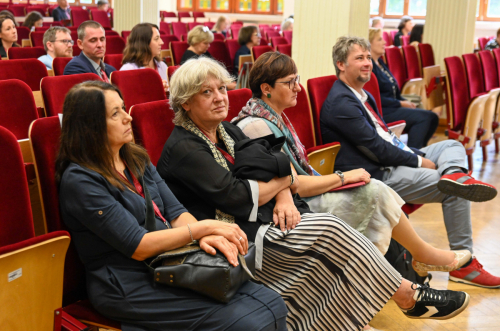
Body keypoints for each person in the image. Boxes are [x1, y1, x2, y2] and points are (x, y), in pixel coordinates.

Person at [157, 56, 471, 330]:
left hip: (259, 219)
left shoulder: (227, 131)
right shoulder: (186, 146)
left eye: (222, 89)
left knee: (335, 234)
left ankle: (370, 313)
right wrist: (283, 185)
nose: (219, 98)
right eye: (206, 92)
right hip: (230, 239)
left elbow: (274, 159)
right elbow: (237, 196)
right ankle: (406, 295)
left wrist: (280, 192)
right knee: (330, 230)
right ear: (185, 102)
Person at [56, 80, 288, 331]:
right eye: (116, 114)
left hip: (173, 260)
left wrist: (204, 237)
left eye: (124, 108)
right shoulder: (81, 181)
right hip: (127, 282)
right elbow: (138, 246)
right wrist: (203, 230)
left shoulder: (135, 157)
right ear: (90, 126)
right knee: (246, 322)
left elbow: (176, 213)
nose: (127, 118)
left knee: (272, 302)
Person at [233, 50, 469, 272]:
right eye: (290, 82)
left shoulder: (272, 115)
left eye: (298, 79)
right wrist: (343, 177)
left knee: (374, 190)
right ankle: (418, 257)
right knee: (375, 191)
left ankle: (403, 264)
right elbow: (293, 184)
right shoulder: (257, 126)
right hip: (293, 209)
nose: (298, 88)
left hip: (301, 196)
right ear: (266, 89)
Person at [321, 35, 500, 289]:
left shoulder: (361, 96)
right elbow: (378, 150)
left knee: (452, 145)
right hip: (378, 175)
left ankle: (454, 174)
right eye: (359, 58)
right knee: (456, 192)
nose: (367, 63)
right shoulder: (341, 102)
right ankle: (463, 266)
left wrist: (417, 154)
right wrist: (418, 160)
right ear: (340, 64)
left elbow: (387, 139)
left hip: (392, 162)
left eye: (369, 58)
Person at [369, 28, 438, 149]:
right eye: (380, 39)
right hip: (383, 111)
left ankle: (421, 150)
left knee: (433, 117)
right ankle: (412, 154)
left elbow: (394, 90)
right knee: (424, 118)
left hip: (393, 107)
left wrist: (404, 101)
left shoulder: (380, 63)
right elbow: (376, 98)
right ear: (369, 44)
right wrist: (401, 103)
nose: (384, 42)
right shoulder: (370, 67)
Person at [120, 23, 168, 92]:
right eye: (156, 39)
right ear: (144, 43)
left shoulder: (162, 65)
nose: (162, 42)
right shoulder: (128, 70)